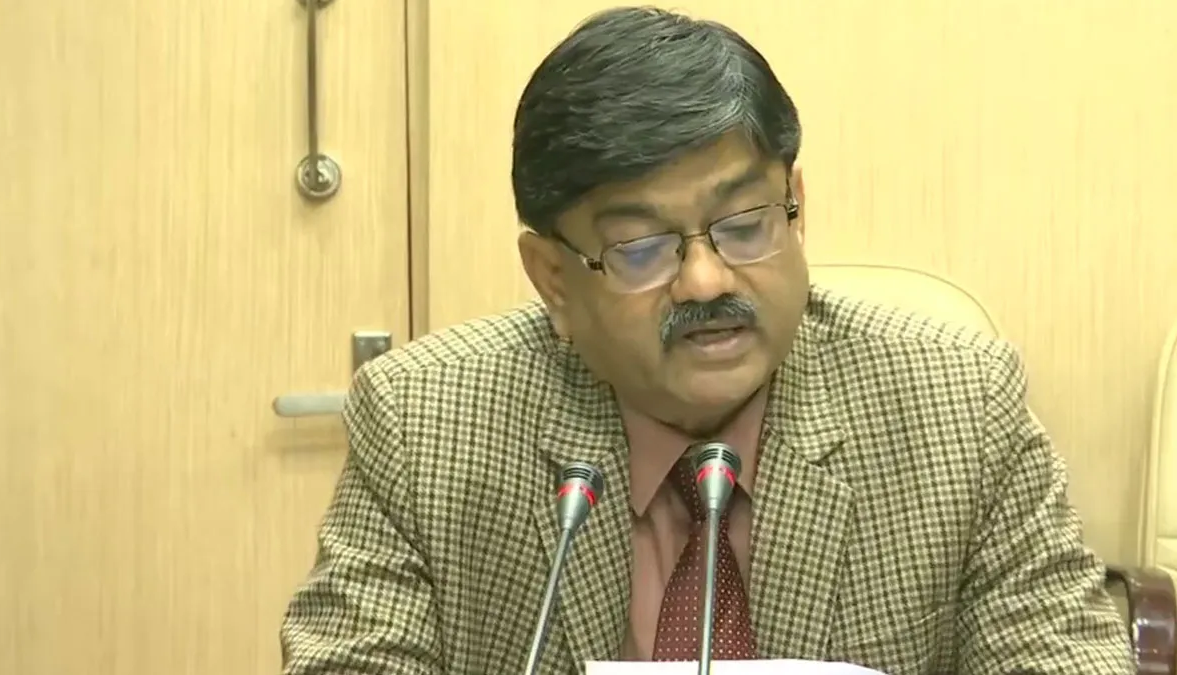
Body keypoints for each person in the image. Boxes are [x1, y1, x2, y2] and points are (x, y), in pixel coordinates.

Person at [279, 6, 1134, 675]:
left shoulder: (957, 402)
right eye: (641, 246)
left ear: (797, 208)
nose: (705, 280)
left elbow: (1062, 656)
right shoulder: (425, 418)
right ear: (553, 279)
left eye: (745, 223)